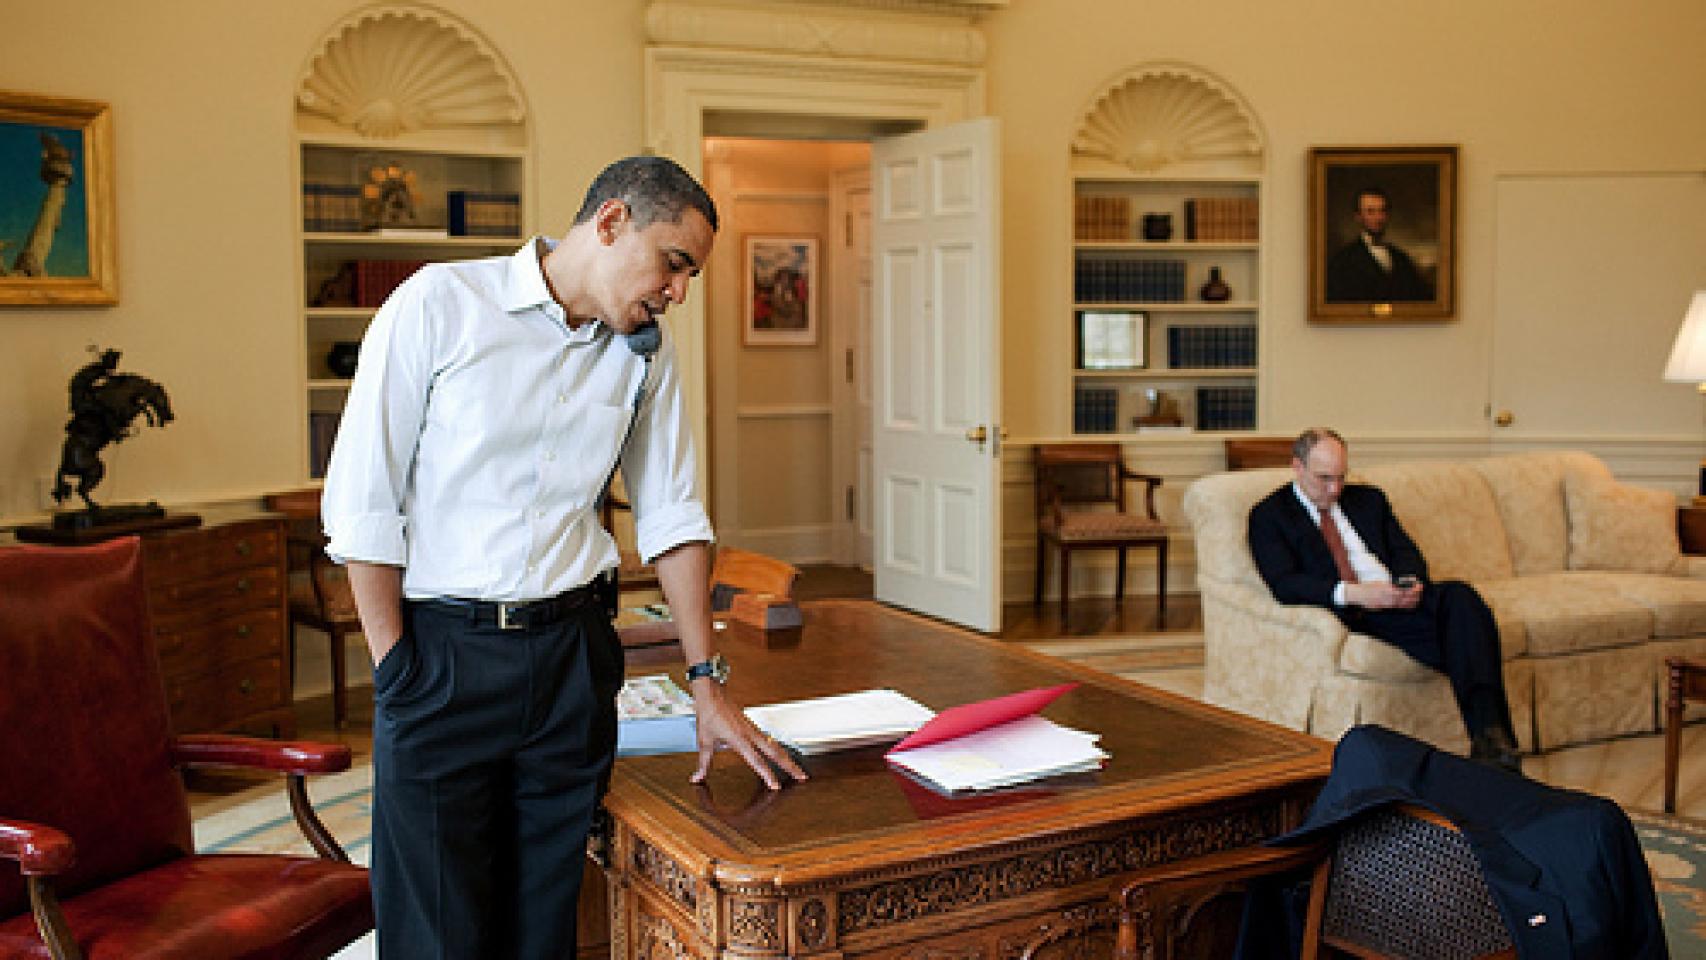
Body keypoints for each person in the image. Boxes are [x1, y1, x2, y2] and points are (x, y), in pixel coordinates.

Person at [321, 155, 808, 959]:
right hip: (442, 659)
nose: (677, 292)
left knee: (548, 928)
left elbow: (673, 513)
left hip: (573, 663)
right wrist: (398, 673)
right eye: (673, 264)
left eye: (689, 276)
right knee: (436, 933)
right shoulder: (440, 303)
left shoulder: (646, 353)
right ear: (611, 221)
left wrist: (706, 681)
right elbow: (363, 503)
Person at [1246, 428, 1521, 773]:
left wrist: (1410, 582)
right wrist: (1355, 593)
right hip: (1359, 608)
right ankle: (1496, 746)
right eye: (1324, 478)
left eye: (1341, 477)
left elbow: (1406, 551)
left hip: (1397, 595)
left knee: (1461, 598)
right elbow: (1285, 584)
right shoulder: (1269, 516)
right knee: (1468, 637)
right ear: (1297, 467)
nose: (1335, 489)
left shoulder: (1369, 500)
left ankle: (1491, 745)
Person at [1323, 187, 1432, 302]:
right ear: (1358, 217)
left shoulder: (1400, 258)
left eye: (1382, 211)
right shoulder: (1343, 260)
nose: (1378, 218)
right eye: (1370, 212)